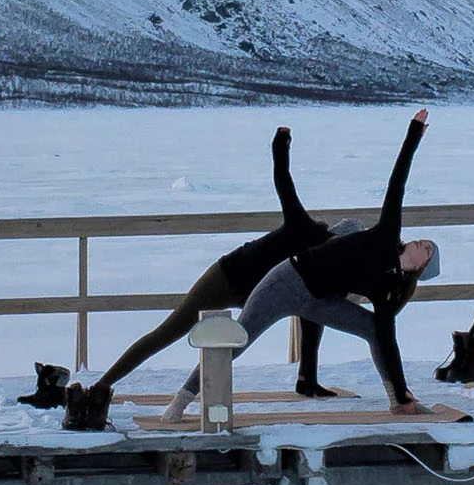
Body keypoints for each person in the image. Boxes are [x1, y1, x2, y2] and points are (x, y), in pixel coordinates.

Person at [47, 126, 340, 431]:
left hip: (256, 292)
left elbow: (312, 321)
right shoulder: (303, 226)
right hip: (227, 277)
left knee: (284, 317)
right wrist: (281, 143)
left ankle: (304, 380)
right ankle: (100, 389)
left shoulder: (321, 270)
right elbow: (283, 179)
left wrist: (309, 380)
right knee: (167, 332)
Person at [163, 109, 441, 420]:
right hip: (286, 281)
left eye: (428, 250)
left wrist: (402, 389)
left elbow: (388, 339)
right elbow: (397, 181)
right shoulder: (387, 234)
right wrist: (414, 133)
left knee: (375, 331)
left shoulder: (387, 289)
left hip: (318, 300)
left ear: (420, 269)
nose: (422, 243)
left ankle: (398, 401)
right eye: (425, 241)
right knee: (240, 338)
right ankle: (181, 400)